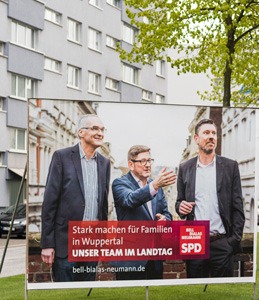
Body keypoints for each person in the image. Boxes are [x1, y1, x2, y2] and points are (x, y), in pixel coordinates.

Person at [41, 114, 110, 282]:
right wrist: (47, 244)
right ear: (81, 132)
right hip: (66, 240)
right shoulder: (61, 157)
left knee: (86, 293)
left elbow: (103, 204)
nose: (100, 133)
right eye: (95, 128)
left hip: (92, 241)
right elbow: (49, 203)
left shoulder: (104, 163)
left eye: (102, 129)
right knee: (64, 296)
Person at [175, 119, 245, 278]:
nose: (211, 137)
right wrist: (181, 207)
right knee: (195, 293)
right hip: (194, 241)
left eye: (214, 133)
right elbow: (179, 202)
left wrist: (232, 242)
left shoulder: (229, 167)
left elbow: (238, 207)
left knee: (222, 294)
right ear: (196, 139)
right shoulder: (185, 168)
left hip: (222, 242)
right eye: (206, 133)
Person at [111, 145, 176, 280]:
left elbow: (166, 213)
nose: (147, 165)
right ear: (131, 164)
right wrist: (155, 186)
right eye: (142, 161)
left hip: (154, 256)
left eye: (149, 160)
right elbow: (130, 200)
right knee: (129, 299)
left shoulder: (155, 185)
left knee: (154, 299)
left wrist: (165, 220)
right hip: (130, 258)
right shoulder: (120, 183)